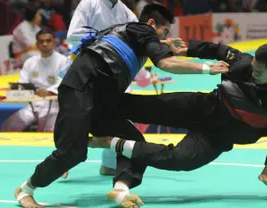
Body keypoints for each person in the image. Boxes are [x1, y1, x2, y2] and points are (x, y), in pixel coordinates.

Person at [14, 4, 229, 208]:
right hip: (80, 88)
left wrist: (165, 45)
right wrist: (206, 68)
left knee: (135, 143)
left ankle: (121, 189)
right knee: (73, 152)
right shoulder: (141, 30)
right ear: (152, 23)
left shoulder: (136, 36)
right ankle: (26, 189)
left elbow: (148, 48)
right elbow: (165, 64)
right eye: (164, 32)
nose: (165, 37)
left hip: (101, 100)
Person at [89, 41, 267, 207]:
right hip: (203, 107)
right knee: (146, 106)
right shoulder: (245, 63)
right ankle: (87, 104)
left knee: (180, 159)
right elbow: (218, 49)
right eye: (253, 69)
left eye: (259, 73)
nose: (253, 74)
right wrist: (187, 49)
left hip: (215, 138)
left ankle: (109, 142)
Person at [62, 0, 181, 177]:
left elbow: (139, 39)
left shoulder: (126, 13)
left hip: (114, 73)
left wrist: (159, 43)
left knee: (117, 118)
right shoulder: (89, 4)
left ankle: (110, 164)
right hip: (87, 69)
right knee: (79, 119)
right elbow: (73, 35)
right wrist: (109, 39)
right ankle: (64, 158)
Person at [2, 29, 68, 132]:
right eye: (41, 41)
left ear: (54, 42)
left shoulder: (63, 61)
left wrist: (49, 91)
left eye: (48, 40)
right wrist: (30, 90)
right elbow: (22, 83)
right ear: (37, 44)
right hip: (33, 103)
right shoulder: (30, 62)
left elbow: (63, 82)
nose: (45, 44)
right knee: (10, 126)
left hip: (53, 103)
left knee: (50, 130)